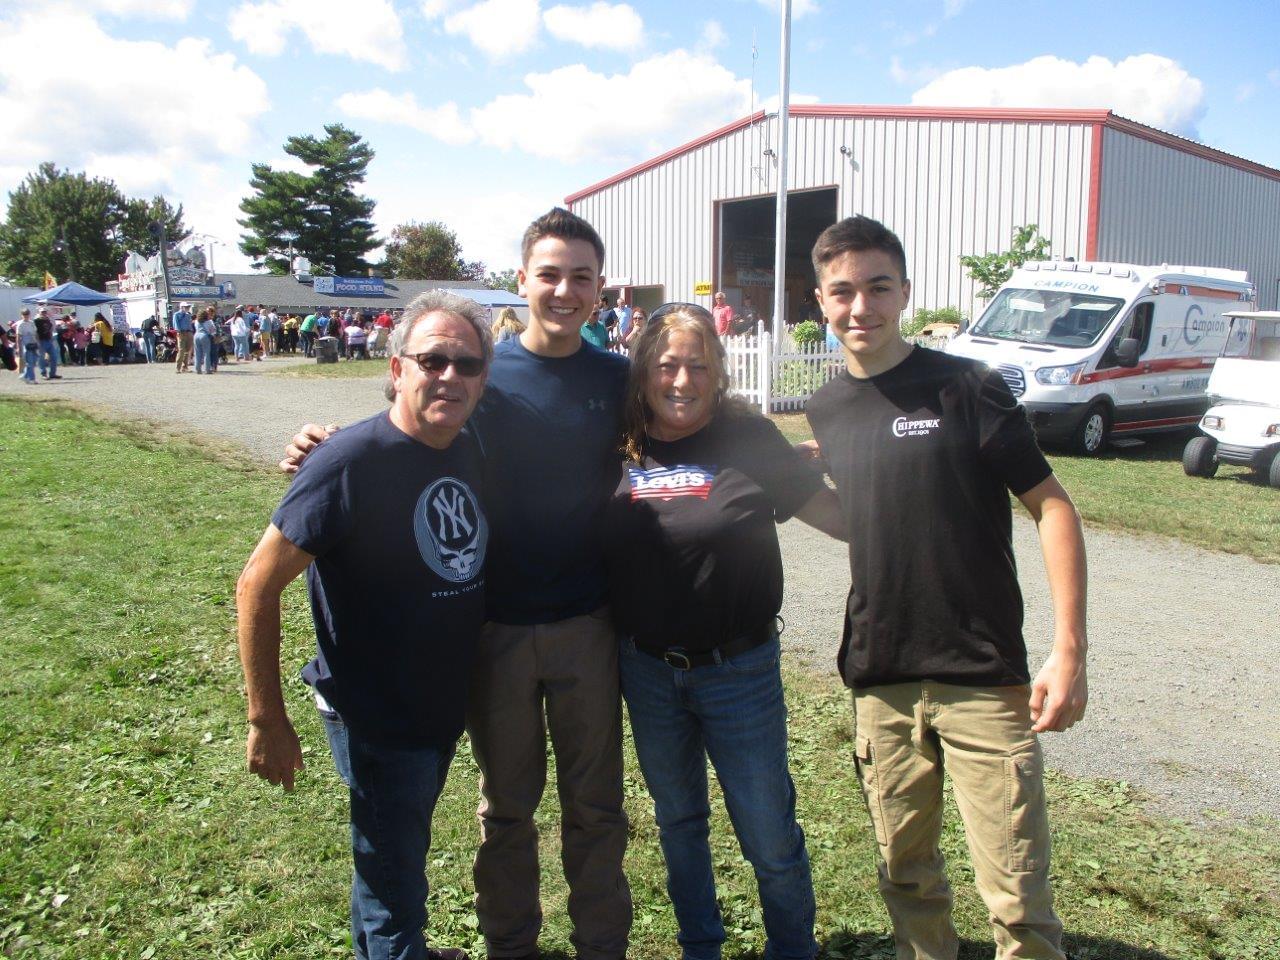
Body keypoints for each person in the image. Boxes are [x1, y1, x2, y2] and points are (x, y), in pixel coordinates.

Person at [286, 209, 633, 960]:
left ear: (601, 287)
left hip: (588, 627)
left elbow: (686, 420)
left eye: (581, 276)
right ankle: (512, 945)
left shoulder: (619, 377)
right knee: (508, 808)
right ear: (523, 281)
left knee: (597, 807)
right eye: (549, 274)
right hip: (497, 630)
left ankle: (601, 945)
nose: (564, 290)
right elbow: (411, 417)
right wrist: (326, 442)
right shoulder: (482, 367)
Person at [803, 215, 1088, 960]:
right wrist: (785, 484)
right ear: (820, 301)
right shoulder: (828, 407)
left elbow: (1052, 507)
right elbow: (862, 521)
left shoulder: (966, 387)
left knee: (1019, 900)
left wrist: (1068, 652)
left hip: (981, 676)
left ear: (904, 292)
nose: (860, 307)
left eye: (877, 288)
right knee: (907, 877)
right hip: (882, 676)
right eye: (843, 292)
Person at [237, 291, 492, 960]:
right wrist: (266, 716)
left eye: (468, 364)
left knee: (392, 858)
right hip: (379, 715)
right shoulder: (347, 463)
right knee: (393, 875)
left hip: (436, 705)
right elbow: (256, 585)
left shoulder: (469, 449)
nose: (450, 376)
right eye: (433, 359)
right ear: (396, 365)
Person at [605, 303, 845, 960]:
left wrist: (903, 478)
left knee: (768, 831)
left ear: (718, 374)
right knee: (679, 822)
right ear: (645, 371)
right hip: (648, 671)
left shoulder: (750, 438)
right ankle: (700, 946)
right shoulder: (616, 444)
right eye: (668, 366)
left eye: (697, 366)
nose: (681, 381)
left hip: (738, 671)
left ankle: (793, 948)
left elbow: (835, 515)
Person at [34, 307, 61, 379]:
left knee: (54, 357)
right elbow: (35, 332)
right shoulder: (36, 321)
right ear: (38, 313)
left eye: (45, 312)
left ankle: (52, 374)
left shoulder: (48, 320)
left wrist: (51, 337)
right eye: (42, 312)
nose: (44, 313)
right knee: (41, 358)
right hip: (41, 341)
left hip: (49, 340)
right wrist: (37, 341)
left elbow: (50, 329)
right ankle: (43, 374)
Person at [15, 308, 38, 384]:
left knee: (34, 361)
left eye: (27, 314)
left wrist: (37, 342)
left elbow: (35, 333)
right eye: (24, 314)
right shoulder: (20, 324)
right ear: (22, 315)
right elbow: (18, 336)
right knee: (30, 362)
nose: (26, 316)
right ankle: (32, 379)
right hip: (26, 344)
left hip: (33, 343)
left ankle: (24, 376)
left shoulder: (32, 323)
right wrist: (18, 347)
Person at [193, 307, 217, 374]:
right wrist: (214, 337)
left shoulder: (196, 321)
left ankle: (198, 369)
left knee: (197, 353)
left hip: (196, 335)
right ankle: (207, 369)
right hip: (204, 335)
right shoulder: (209, 321)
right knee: (206, 353)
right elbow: (213, 331)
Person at [172, 302, 195, 373]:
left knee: (187, 351)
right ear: (181, 307)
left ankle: (185, 367)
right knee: (181, 350)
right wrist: (178, 332)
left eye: (188, 307)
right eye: (186, 307)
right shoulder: (177, 314)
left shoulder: (188, 315)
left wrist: (191, 332)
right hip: (181, 332)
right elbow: (176, 324)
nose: (187, 308)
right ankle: (178, 368)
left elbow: (189, 324)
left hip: (189, 332)